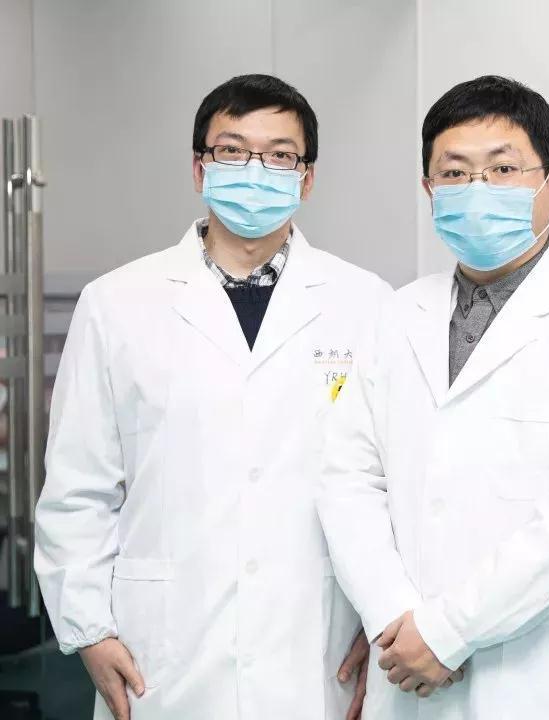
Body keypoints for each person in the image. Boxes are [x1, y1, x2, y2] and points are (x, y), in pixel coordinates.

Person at [35, 74, 386, 720]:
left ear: (307, 179)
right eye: (232, 150)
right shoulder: (116, 303)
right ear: (200, 168)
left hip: (314, 646)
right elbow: (78, 488)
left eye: (280, 155)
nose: (256, 170)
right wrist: (88, 631)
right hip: (162, 656)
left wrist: (384, 614)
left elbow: (390, 483)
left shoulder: (367, 305)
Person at [318, 75, 549, 718]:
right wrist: (394, 617)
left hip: (543, 680)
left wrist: (448, 632)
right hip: (404, 663)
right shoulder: (395, 317)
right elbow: (348, 479)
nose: (476, 190)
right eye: (454, 173)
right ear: (429, 190)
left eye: (503, 169)